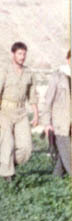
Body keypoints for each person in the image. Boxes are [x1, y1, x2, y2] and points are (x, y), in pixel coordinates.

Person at [0, 42, 39, 180]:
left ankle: (9, 164)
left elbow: (33, 96)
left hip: (21, 112)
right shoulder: (4, 71)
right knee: (7, 144)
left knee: (26, 148)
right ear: (13, 54)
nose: (22, 57)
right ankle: (7, 177)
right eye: (19, 54)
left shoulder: (29, 73)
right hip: (5, 112)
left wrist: (36, 115)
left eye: (24, 54)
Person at [42, 49, 71, 177]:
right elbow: (48, 101)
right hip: (60, 124)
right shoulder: (58, 77)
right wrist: (47, 123)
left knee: (63, 159)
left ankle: (55, 179)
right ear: (68, 59)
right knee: (69, 158)